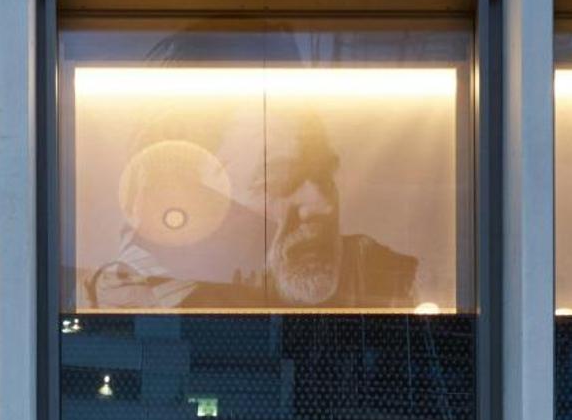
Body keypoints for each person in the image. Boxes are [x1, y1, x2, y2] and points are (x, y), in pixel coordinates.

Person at [85, 101, 418, 312]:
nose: (324, 203)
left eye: (324, 175)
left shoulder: (385, 280)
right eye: (277, 179)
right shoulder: (129, 303)